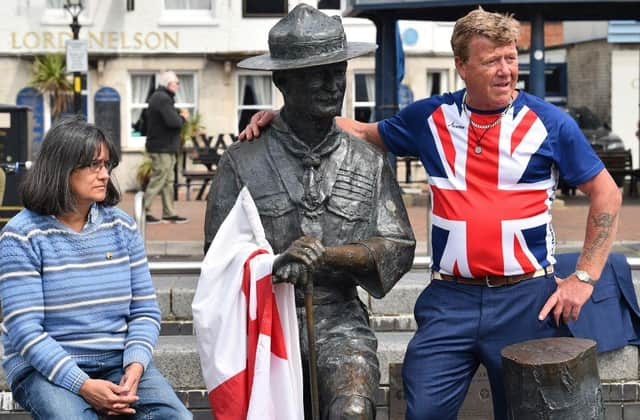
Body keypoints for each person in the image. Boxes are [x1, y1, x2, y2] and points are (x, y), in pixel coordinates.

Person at [239, 7, 622, 420]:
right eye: (491, 60)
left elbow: (606, 193)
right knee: (422, 411)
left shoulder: (550, 123)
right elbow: (364, 133)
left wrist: (584, 277)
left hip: (525, 298)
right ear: (461, 65)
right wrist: (287, 118)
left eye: (511, 58)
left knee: (526, 413)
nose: (506, 70)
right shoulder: (431, 117)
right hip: (450, 300)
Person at [204, 4, 415, 419]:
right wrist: (273, 265)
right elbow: (217, 258)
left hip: (339, 322)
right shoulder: (242, 161)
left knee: (352, 410)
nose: (331, 83)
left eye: (338, 71)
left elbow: (397, 245)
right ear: (282, 80)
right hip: (266, 323)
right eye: (315, 73)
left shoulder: (367, 161)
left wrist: (330, 256)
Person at [0, 116, 192, 419]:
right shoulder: (21, 235)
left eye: (107, 165)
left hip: (118, 362)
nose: (104, 175)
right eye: (94, 165)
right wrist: (84, 385)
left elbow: (144, 310)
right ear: (61, 169)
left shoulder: (123, 227)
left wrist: (135, 366)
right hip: (44, 368)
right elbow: (26, 331)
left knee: (176, 417)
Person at [143, 70, 189, 224]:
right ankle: (143, 211)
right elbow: (174, 122)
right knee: (159, 179)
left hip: (165, 147)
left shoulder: (162, 97)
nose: (178, 85)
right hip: (161, 147)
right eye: (176, 83)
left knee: (168, 181)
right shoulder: (163, 99)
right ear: (168, 83)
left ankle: (169, 213)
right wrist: (183, 117)